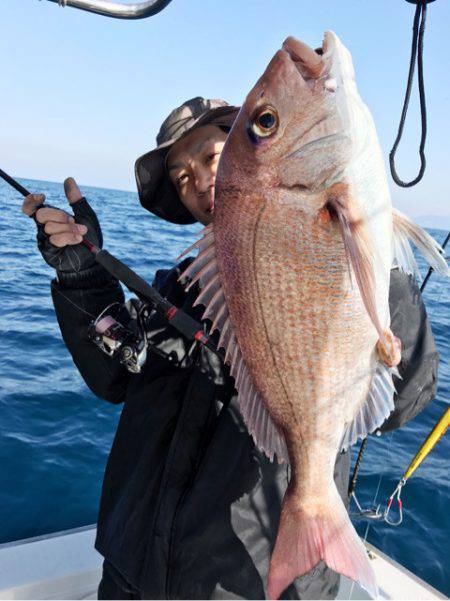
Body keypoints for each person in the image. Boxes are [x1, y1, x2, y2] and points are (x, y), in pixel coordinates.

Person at [22, 97, 439, 600]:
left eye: (211, 156)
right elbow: (117, 373)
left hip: (247, 588)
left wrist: (366, 245)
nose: (196, 181)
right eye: (179, 177)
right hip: (131, 574)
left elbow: (408, 395)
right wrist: (81, 273)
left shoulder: (338, 264)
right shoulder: (176, 289)